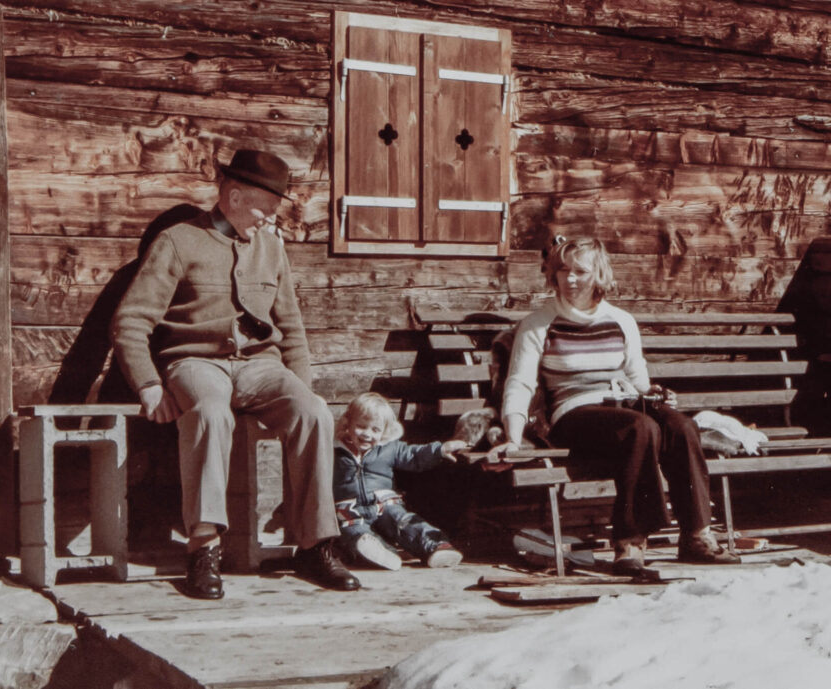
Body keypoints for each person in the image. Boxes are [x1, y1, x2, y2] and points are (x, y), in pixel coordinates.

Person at [111, 149, 360, 599]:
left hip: (259, 366)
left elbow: (291, 327)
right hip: (195, 362)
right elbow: (130, 321)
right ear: (235, 195)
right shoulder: (178, 242)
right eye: (266, 209)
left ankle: (315, 544)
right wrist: (148, 384)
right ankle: (204, 549)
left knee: (314, 412)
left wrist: (299, 387)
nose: (270, 220)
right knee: (210, 412)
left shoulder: (271, 248)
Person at [493, 236, 741, 574]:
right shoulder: (539, 323)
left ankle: (696, 535)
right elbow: (519, 383)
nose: (571, 279)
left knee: (682, 426)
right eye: (563, 271)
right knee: (640, 427)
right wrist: (512, 434)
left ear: (598, 274)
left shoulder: (621, 320)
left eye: (580, 271)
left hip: (624, 402)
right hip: (574, 413)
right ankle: (630, 544)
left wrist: (654, 393)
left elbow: (637, 378)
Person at [333, 393, 467, 570]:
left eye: (375, 429)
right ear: (347, 423)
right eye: (361, 426)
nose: (367, 434)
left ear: (384, 432)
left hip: (383, 502)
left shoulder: (389, 448)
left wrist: (440, 450)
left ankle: (436, 546)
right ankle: (380, 552)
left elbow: (413, 455)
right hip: (349, 507)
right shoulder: (335, 450)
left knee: (402, 520)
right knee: (351, 530)